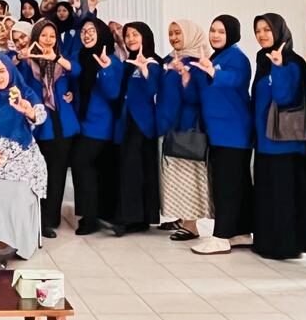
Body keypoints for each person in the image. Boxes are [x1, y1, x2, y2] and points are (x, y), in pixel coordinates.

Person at [0, 53, 47, 269]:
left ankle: (14, 244)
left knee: (20, 192)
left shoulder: (25, 94)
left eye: (2, 71)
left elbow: (40, 117)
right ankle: (0, 244)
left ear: (10, 71)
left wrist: (27, 110)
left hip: (23, 154)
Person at [249, 13, 306, 260]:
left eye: (267, 29)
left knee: (284, 196)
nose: (262, 35)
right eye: (258, 31)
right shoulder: (262, 59)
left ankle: (286, 246)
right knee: (267, 194)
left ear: (279, 31)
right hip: (265, 141)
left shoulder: (292, 62)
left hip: (286, 143)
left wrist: (278, 67)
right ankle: (266, 243)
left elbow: (285, 97)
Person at [191, 15, 254, 256]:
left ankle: (221, 236)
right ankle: (240, 232)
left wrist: (213, 72)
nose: (215, 35)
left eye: (221, 31)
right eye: (213, 30)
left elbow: (236, 80)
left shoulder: (237, 58)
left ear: (232, 34)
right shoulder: (217, 57)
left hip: (232, 132)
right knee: (235, 184)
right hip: (219, 132)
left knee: (227, 186)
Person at [22, 19, 81, 238]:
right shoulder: (28, 62)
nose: (48, 40)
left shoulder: (62, 60)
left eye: (52, 36)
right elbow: (17, 80)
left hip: (62, 125)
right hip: (39, 125)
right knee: (39, 174)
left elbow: (77, 71)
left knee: (57, 174)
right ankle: (37, 218)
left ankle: (51, 218)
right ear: (36, 37)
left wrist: (55, 58)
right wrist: (22, 56)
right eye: (43, 35)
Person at [157, 20, 212, 243]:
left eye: (178, 33)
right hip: (170, 123)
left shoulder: (199, 62)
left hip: (189, 125)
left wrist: (186, 77)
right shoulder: (169, 59)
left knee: (190, 175)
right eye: (171, 33)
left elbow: (199, 97)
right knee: (176, 174)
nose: (174, 37)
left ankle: (191, 225)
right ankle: (181, 218)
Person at [105, 21, 161, 236]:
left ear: (145, 37)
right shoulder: (128, 63)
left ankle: (129, 218)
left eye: (135, 35)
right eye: (128, 35)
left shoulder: (153, 62)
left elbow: (152, 90)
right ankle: (136, 218)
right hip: (126, 121)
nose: (130, 39)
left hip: (142, 124)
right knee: (130, 169)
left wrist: (145, 70)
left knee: (136, 170)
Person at [74, 17, 120, 235]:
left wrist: (105, 69)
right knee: (88, 169)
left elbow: (113, 93)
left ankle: (90, 217)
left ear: (101, 33)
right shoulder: (81, 57)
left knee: (82, 164)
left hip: (100, 124)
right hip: (82, 123)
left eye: (91, 30)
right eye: (83, 31)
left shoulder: (111, 59)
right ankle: (93, 213)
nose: (87, 34)